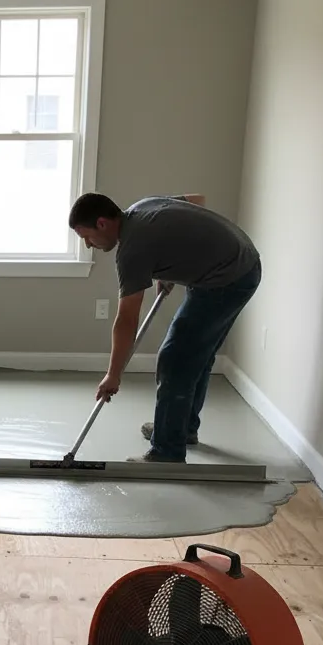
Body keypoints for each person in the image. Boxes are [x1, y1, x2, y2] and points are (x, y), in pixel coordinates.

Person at [67, 192, 261, 463]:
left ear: (102, 224)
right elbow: (197, 201)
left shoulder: (132, 251)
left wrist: (113, 375)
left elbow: (126, 319)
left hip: (228, 278)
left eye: (86, 237)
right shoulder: (141, 207)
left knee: (175, 358)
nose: (88, 245)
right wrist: (170, 265)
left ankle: (167, 451)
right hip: (239, 261)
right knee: (197, 355)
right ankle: (181, 431)